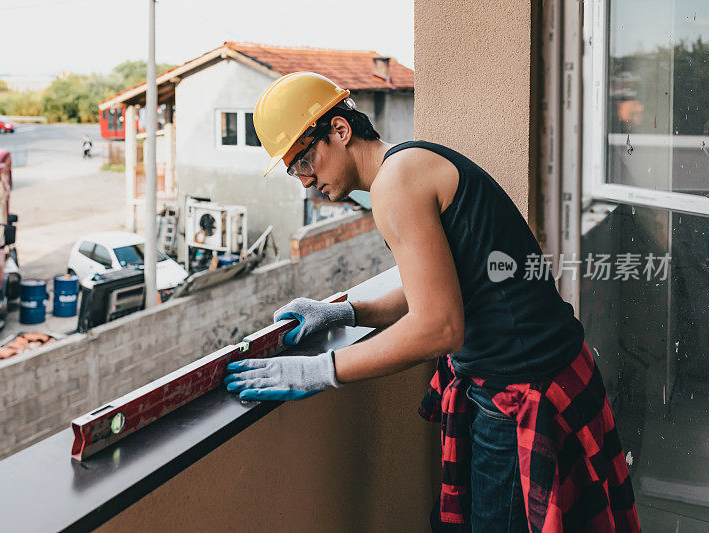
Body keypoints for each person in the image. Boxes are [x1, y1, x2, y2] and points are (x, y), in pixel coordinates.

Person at [224, 72, 640, 532]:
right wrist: (345, 312)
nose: (304, 181)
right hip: (547, 372)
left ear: (340, 131)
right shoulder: (411, 163)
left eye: (304, 160)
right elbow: (434, 288)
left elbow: (440, 326)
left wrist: (320, 370)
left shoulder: (394, 185)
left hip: (522, 397)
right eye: (293, 170)